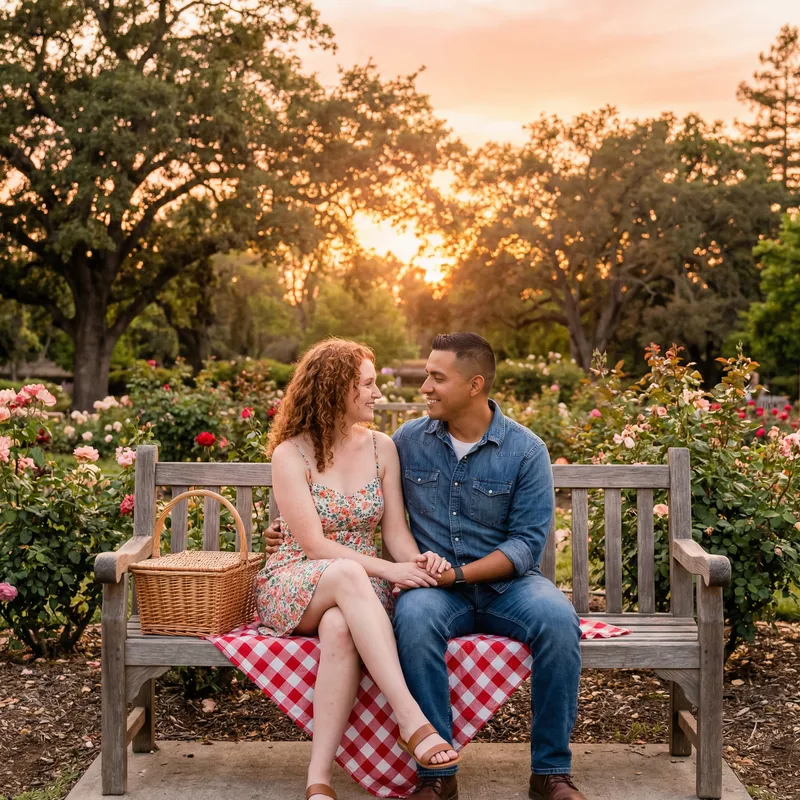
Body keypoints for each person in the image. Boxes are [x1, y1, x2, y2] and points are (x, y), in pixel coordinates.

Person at [266, 332, 586, 800]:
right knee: (413, 619)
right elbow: (329, 511)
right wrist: (286, 529)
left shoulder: (525, 450)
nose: (423, 388)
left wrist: (445, 571)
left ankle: (551, 773)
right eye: (426, 376)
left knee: (559, 621)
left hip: (507, 585)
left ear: (474, 385)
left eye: (437, 378)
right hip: (424, 585)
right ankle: (435, 778)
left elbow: (525, 545)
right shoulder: (408, 441)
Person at [256, 337, 461, 800]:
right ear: (335, 390)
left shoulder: (381, 447)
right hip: (297, 576)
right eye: (367, 384)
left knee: (340, 629)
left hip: (358, 586)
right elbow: (313, 544)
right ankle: (412, 721)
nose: (377, 393)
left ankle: (318, 780)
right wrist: (391, 573)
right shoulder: (291, 453)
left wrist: (416, 560)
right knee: (347, 578)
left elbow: (394, 534)